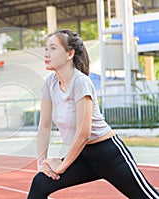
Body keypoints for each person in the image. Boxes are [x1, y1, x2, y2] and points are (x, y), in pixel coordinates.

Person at [27, 29, 159, 199]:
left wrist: (61, 165)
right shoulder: (50, 83)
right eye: (46, 48)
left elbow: (84, 133)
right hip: (82, 156)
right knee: (40, 183)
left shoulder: (80, 82)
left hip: (108, 154)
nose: (46, 53)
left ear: (69, 54)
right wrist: (42, 162)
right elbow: (44, 125)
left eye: (53, 48)